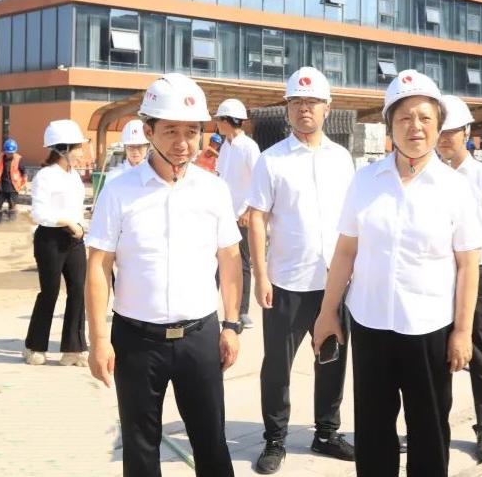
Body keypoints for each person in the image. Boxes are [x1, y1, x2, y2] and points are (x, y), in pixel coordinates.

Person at [313, 69, 482, 477]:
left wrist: (462, 331)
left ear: (439, 125)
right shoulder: (365, 180)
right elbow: (346, 251)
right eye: (404, 117)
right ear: (390, 124)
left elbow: (468, 264)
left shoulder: (455, 187)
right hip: (371, 324)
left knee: (429, 429)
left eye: (425, 117)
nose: (415, 127)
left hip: (429, 328)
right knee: (373, 429)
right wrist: (327, 312)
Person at [85, 73, 243, 477]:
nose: (182, 142)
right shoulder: (119, 191)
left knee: (212, 442)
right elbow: (99, 266)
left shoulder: (214, 189)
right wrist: (98, 339)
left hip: (199, 338)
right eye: (170, 130)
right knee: (140, 449)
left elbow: (229, 259)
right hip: (137, 341)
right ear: (148, 130)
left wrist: (231, 325)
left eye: (191, 131)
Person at [247, 67, 356, 474]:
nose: (304, 108)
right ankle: (275, 438)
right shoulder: (271, 160)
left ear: (328, 108)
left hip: (334, 281)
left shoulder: (341, 158)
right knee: (277, 366)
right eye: (296, 102)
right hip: (287, 282)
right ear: (287, 108)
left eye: (312, 102)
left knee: (332, 360)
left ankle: (326, 433)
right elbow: (256, 218)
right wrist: (261, 275)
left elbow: (352, 218)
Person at [436, 94, 482, 462]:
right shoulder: (428, 177)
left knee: (479, 353)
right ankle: (430, 426)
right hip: (436, 274)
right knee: (433, 356)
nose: (445, 138)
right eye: (441, 131)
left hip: (476, 273)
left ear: (467, 133)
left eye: (452, 131)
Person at [24, 120, 88, 367]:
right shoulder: (45, 176)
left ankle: (74, 349)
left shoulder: (74, 177)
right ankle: (34, 346)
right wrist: (68, 223)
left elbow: (77, 209)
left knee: (78, 291)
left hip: (75, 239)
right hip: (50, 239)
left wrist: (80, 225)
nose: (82, 153)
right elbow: (38, 213)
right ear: (64, 149)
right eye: (79, 148)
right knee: (50, 292)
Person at [215, 98, 261, 329]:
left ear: (227, 121)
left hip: (241, 215)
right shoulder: (225, 147)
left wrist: (249, 210)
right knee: (216, 261)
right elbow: (220, 178)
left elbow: (259, 180)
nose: (217, 124)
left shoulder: (248, 147)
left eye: (219, 119)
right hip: (223, 214)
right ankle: (208, 305)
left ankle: (242, 311)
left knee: (241, 263)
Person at [0, 138, 27, 224]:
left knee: (12, 206)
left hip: (13, 188)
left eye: (12, 153)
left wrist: (23, 184)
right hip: (1, 187)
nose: (10, 154)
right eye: (8, 153)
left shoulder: (18, 159)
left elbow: (24, 172)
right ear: (5, 151)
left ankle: (11, 223)